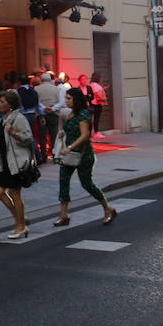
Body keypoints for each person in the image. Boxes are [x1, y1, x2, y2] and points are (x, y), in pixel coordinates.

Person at [53, 87, 117, 227]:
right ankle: (63, 215)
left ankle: (108, 208)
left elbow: (85, 135)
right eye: (66, 98)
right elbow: (68, 129)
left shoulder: (83, 115)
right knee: (63, 181)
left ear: (76, 99)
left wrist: (69, 147)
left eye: (69, 99)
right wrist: (63, 134)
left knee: (87, 184)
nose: (66, 101)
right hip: (70, 156)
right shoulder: (70, 114)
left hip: (83, 155)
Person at [0, 90, 35, 239]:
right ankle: (20, 219)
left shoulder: (19, 119)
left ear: (10, 104)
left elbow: (28, 139)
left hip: (16, 161)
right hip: (5, 161)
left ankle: (20, 226)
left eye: (2, 102)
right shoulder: (3, 118)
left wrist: (13, 132)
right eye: (0, 101)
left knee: (14, 193)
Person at [36, 72, 60, 159]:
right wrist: (52, 108)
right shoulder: (55, 89)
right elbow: (59, 101)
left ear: (41, 80)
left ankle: (43, 154)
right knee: (53, 135)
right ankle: (54, 153)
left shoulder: (36, 89)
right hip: (53, 114)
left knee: (42, 136)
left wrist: (43, 110)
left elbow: (37, 103)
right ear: (50, 80)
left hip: (42, 115)